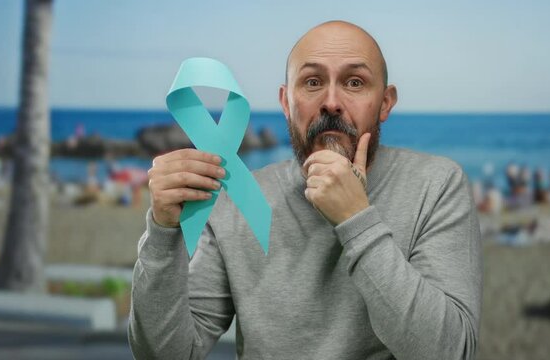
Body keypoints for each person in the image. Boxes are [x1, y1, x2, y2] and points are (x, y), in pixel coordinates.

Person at [129, 21, 482, 359]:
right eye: (312, 82)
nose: (331, 101)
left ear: (386, 102)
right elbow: (165, 354)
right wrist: (162, 231)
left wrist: (356, 218)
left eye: (355, 83)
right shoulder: (237, 201)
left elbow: (450, 351)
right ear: (286, 102)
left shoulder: (437, 185)